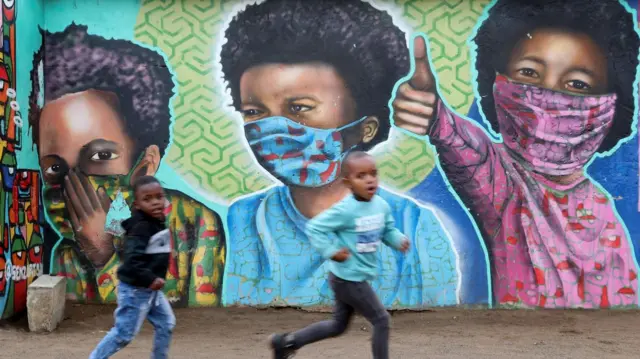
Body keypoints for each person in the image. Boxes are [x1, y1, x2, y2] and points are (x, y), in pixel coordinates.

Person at [392, 0, 640, 308]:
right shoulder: (502, 184)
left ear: (611, 105)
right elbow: (467, 149)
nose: (547, 97)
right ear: (496, 82)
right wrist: (435, 117)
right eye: (529, 73)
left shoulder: (600, 206)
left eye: (577, 83)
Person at [220, 0, 459, 309]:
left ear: (366, 128)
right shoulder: (245, 220)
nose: (274, 128)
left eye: (299, 108)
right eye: (254, 111)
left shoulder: (414, 227)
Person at [28, 24, 225, 307]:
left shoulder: (194, 224)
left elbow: (202, 319)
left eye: (100, 157)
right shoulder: (68, 252)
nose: (74, 186)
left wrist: (104, 257)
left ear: (145, 165)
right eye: (55, 169)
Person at [269, 151, 409, 359]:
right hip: (349, 279)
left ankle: (286, 343)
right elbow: (315, 227)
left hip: (351, 277)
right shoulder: (345, 210)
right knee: (381, 320)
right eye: (360, 176)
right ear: (348, 182)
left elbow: (387, 230)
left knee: (337, 325)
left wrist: (398, 240)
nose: (369, 180)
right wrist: (331, 251)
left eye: (373, 174)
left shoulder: (381, 206)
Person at [89, 176, 174, 359]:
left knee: (166, 323)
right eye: (147, 199)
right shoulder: (141, 227)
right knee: (123, 334)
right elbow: (132, 262)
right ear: (137, 205)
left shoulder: (156, 223)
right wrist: (151, 278)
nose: (155, 202)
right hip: (136, 291)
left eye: (159, 196)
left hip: (151, 291)